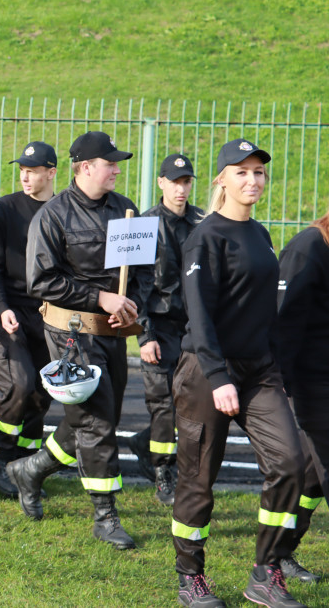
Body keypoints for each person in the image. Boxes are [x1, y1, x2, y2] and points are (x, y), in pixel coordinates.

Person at [172, 139, 306, 608]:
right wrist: (217, 374)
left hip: (260, 371)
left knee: (291, 463)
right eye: (243, 172)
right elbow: (199, 313)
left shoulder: (261, 234)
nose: (253, 181)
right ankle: (191, 577)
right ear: (221, 180)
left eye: (260, 173)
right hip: (208, 372)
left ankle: (265, 572)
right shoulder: (205, 237)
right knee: (198, 480)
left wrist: (282, 369)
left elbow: (266, 311)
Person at [10, 131, 149, 551]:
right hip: (71, 334)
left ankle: (31, 470)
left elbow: (141, 271)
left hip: (113, 333)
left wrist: (131, 304)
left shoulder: (126, 210)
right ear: (86, 167)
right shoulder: (52, 216)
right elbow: (42, 281)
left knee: (90, 416)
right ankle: (105, 516)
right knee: (98, 421)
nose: (117, 169)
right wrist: (100, 296)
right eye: (110, 163)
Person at [277, 160, 329, 563]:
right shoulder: (310, 246)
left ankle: (276, 554)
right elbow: (284, 322)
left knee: (313, 475)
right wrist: (281, 388)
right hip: (319, 385)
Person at [0, 141, 59, 497]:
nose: (25, 178)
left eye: (33, 171)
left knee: (43, 393)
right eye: (22, 171)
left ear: (51, 173)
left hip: (53, 314)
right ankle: (4, 458)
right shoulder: (5, 209)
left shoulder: (64, 209)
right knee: (20, 384)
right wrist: (2, 308)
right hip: (12, 311)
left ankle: (27, 465)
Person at [126, 154, 203, 507]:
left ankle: (144, 443)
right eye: (174, 181)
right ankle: (162, 473)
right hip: (156, 327)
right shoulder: (142, 224)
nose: (181, 189)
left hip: (191, 330)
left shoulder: (203, 221)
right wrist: (144, 336)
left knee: (187, 402)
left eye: (186, 181)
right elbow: (132, 287)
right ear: (161, 183)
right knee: (163, 407)